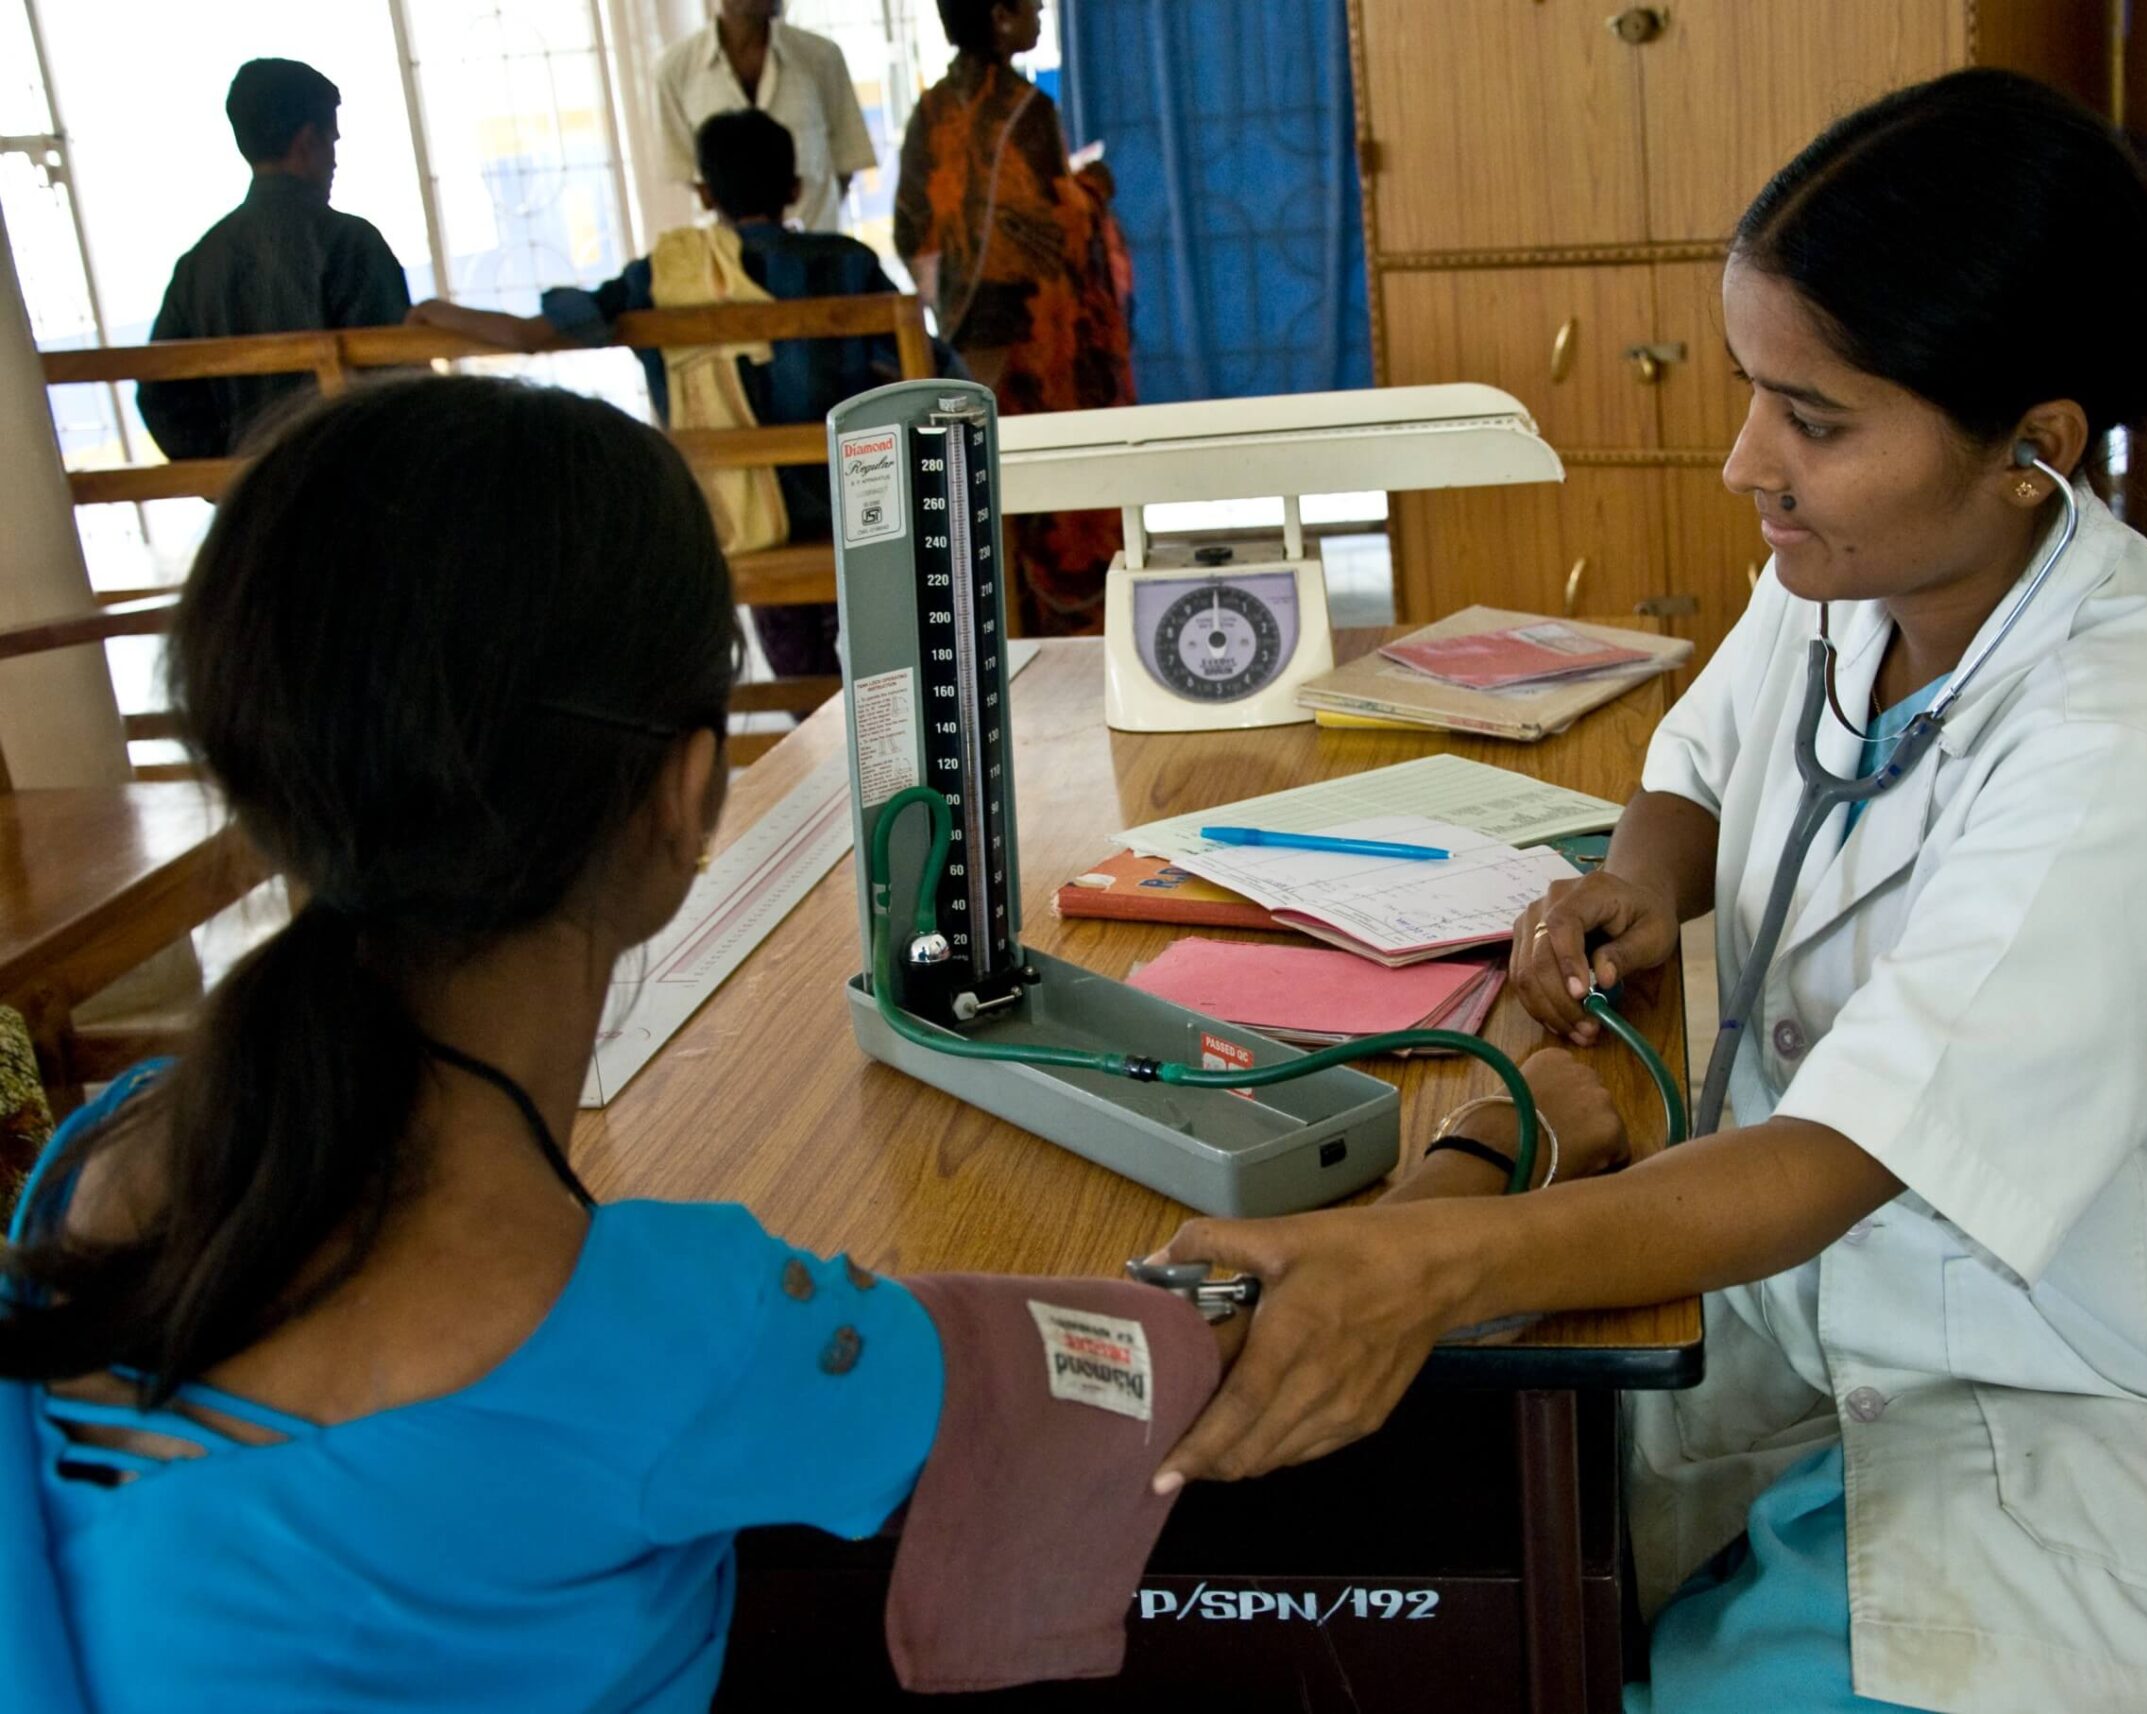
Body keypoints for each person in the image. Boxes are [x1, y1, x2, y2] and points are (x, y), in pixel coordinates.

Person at [1143, 70, 2147, 1714]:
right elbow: (1704, 745)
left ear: (2032, 448)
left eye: (1815, 419)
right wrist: (1636, 872)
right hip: (1833, 1354)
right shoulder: (1865, 568)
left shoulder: (2122, 749)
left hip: (2086, 1420)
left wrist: (1431, 1259)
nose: (1749, 458)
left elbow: (1846, 1157)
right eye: (1758, 387)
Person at [0, 374, 1300, 1709]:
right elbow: (1119, 1365)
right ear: (685, 796)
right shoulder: (666, 1335)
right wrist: (1492, 1143)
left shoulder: (101, 1158)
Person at [408, 109, 956, 683]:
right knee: (875, 634)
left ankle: (814, 716)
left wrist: (434, 312)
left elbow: (531, 335)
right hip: (857, 510)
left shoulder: (660, 279)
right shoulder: (848, 263)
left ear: (703, 192)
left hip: (743, 521)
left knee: (802, 662)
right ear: (796, 188)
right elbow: (928, 370)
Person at [895, 0, 1135, 635]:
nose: (1039, 12)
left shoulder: (930, 111)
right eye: (1030, 4)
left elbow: (912, 228)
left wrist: (955, 293)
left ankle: (1001, 637)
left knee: (988, 502)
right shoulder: (1029, 110)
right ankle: (1072, 642)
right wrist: (1095, 189)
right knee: (1056, 499)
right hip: (1033, 346)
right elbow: (1055, 231)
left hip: (963, 348)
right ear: (999, 16)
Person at [134, 59, 410, 461]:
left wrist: (239, 475)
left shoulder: (198, 265)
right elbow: (399, 386)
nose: (334, 160)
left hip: (257, 506)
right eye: (332, 141)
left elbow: (160, 397)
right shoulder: (350, 243)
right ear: (307, 142)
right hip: (356, 493)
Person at [654, 0, 873, 237]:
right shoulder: (676, 69)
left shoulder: (821, 58)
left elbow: (847, 159)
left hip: (816, 254)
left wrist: (808, 233)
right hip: (733, 261)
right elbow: (685, 167)